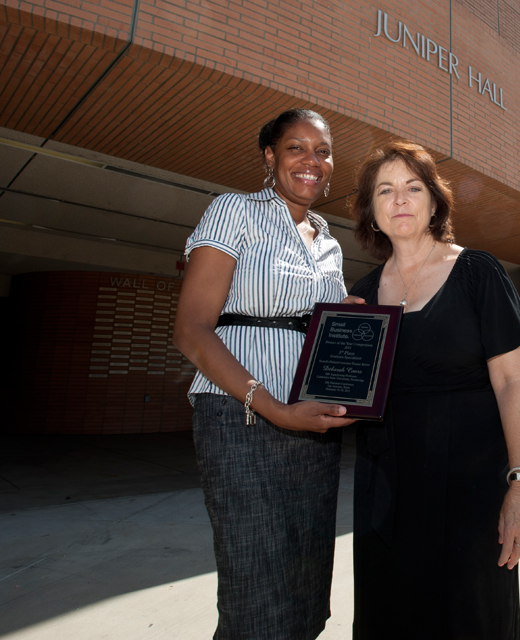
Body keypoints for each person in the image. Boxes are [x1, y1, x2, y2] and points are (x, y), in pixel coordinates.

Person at [172, 108, 356, 640]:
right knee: (255, 592)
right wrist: (271, 405)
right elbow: (191, 329)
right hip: (241, 417)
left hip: (313, 424)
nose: (312, 161)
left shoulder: (329, 242)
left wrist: (349, 321)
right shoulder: (236, 211)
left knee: (305, 587)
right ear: (270, 156)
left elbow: (318, 330)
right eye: (296, 148)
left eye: (322, 152)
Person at [348, 141, 520, 639]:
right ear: (372, 209)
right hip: (383, 497)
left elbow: (513, 382)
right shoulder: (361, 295)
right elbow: (348, 399)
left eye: (413, 187)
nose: (399, 199)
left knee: (470, 620)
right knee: (389, 619)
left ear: (435, 201)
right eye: (384, 190)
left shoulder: (479, 273)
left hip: (471, 494)